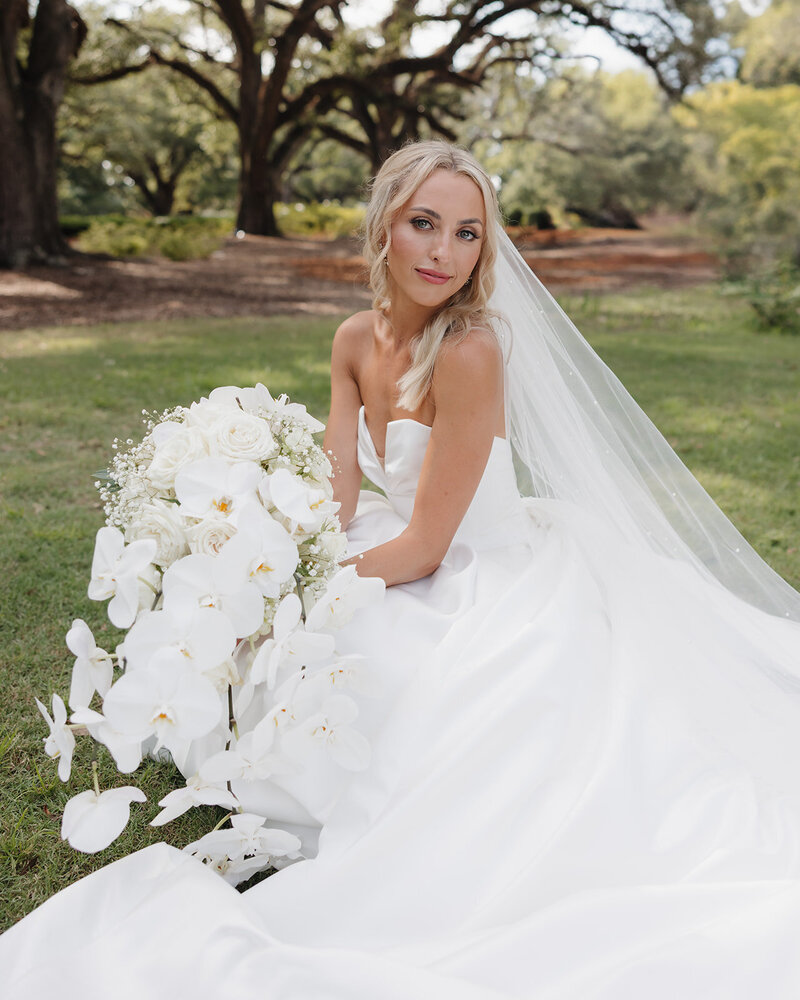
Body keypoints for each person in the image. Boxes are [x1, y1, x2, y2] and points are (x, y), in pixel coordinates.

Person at [4, 140, 800, 999]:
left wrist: (306, 603)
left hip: (476, 562)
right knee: (292, 643)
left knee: (383, 662)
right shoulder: (353, 337)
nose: (442, 254)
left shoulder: (470, 352)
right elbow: (342, 498)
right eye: (424, 225)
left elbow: (427, 547)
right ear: (384, 224)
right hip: (395, 538)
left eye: (466, 234)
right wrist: (267, 560)